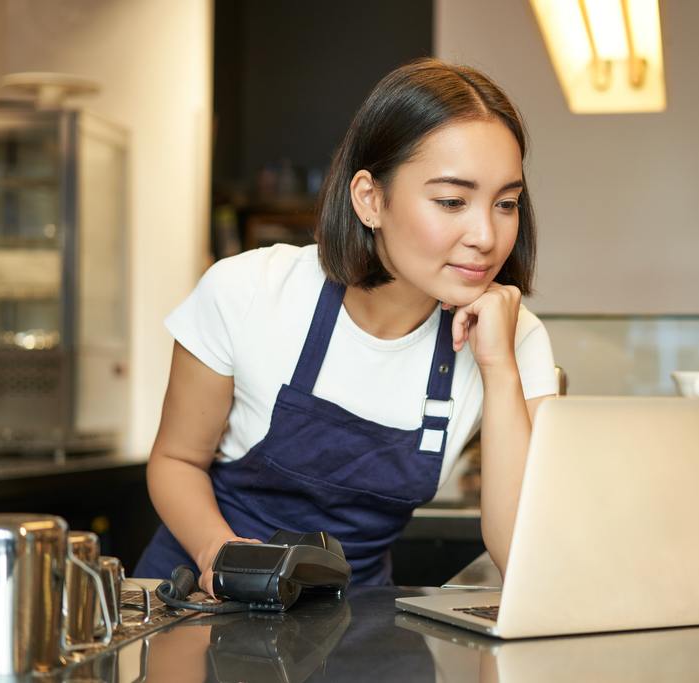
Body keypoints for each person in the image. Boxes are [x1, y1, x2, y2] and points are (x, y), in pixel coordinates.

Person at [134, 58, 557, 589]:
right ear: (370, 199)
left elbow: (524, 556)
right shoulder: (249, 291)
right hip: (200, 597)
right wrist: (221, 555)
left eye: (506, 203)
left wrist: (499, 368)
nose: (486, 236)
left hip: (354, 625)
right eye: (452, 201)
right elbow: (175, 460)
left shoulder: (519, 339)